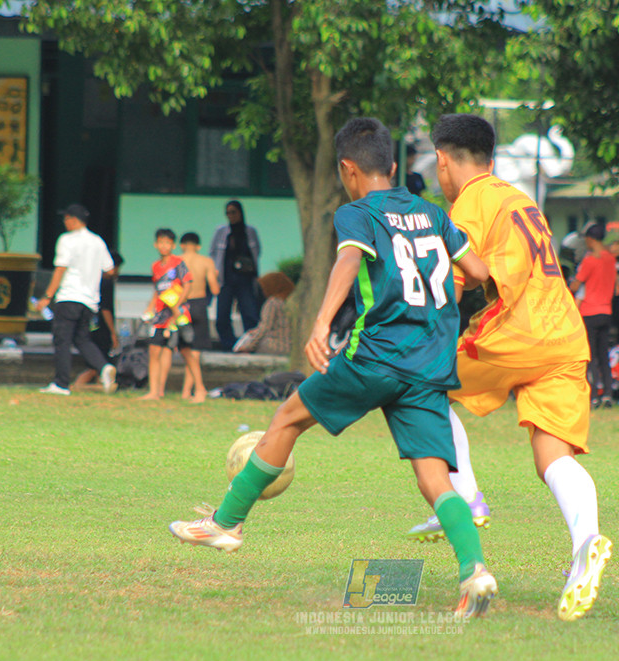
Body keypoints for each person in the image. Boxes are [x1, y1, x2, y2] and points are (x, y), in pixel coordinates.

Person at [168, 117, 498, 619]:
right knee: (435, 480)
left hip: (377, 355)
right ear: (392, 167)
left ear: (348, 170)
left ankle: (226, 523)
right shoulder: (433, 213)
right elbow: (478, 272)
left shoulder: (357, 213)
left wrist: (321, 323)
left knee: (287, 418)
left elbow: (347, 262)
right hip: (430, 364)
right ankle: (475, 571)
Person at [406, 113, 611, 622]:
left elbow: (455, 281)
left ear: (443, 160)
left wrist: (421, 338)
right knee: (553, 458)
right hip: (565, 335)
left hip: (518, 331)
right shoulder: (519, 198)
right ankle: (586, 545)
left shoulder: (469, 201)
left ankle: (466, 497)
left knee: (422, 385)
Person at [36, 204, 117, 396]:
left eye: (66, 219)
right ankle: (104, 367)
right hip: (89, 301)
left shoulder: (67, 240)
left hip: (69, 296)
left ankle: (61, 384)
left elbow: (60, 268)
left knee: (62, 340)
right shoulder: (97, 241)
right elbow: (110, 270)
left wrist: (47, 296)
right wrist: (92, 275)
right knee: (82, 339)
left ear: (73, 220)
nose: (65, 223)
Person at [141, 229, 201, 401]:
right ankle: (155, 391)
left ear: (173, 245)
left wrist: (178, 306)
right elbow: (157, 291)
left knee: (186, 352)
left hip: (177, 314)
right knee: (154, 350)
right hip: (161, 314)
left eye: (167, 243)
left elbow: (187, 285)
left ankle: (200, 389)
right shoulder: (155, 266)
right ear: (155, 244)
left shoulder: (178, 263)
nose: (164, 246)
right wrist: (150, 309)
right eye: (161, 242)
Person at [569, 222, 617, 408]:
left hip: (589, 312)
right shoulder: (610, 259)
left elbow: (576, 285)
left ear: (590, 239)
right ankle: (608, 394)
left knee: (590, 356)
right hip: (606, 311)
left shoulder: (589, 260)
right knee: (604, 356)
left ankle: (594, 396)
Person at [209, 201, 261, 350]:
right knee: (222, 315)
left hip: (245, 279)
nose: (231, 216)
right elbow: (213, 252)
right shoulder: (221, 231)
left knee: (249, 313)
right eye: (228, 213)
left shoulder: (249, 231)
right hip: (226, 279)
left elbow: (256, 251)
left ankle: (249, 344)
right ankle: (229, 344)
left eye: (234, 212)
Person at [72, 248, 123, 390]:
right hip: (102, 329)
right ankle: (77, 386)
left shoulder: (94, 281)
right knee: (95, 367)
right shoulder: (106, 283)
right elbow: (105, 309)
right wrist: (113, 332)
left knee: (97, 367)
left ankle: (99, 386)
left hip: (92, 325)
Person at [179, 232, 220, 402]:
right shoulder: (206, 261)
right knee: (195, 351)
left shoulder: (177, 260)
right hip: (199, 305)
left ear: (181, 245)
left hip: (181, 305)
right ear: (198, 246)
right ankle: (191, 390)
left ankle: (187, 391)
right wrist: (215, 276)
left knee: (185, 349)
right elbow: (215, 289)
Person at [233, 272, 294, 355]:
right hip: (292, 346)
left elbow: (264, 328)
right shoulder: (291, 302)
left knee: (255, 341)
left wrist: (248, 346)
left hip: (277, 346)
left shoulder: (273, 303)